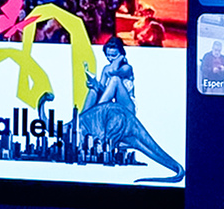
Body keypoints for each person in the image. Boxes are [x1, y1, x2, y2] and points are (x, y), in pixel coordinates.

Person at [77, 38, 184, 183]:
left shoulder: (126, 68)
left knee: (115, 80)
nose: (110, 58)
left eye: (114, 55)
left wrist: (120, 59)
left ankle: (96, 113)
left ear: (121, 54)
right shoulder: (106, 69)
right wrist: (95, 84)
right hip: (111, 108)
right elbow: (104, 89)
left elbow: (114, 73)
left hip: (126, 106)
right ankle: (82, 119)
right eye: (108, 55)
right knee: (93, 90)